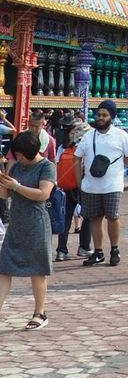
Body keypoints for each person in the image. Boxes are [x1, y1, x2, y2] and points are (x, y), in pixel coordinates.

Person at [0, 130, 56, 329]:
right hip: (16, 224)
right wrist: (4, 183)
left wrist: (16, 187)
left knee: (37, 270)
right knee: (4, 268)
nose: (19, 158)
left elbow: (43, 194)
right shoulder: (15, 167)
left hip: (36, 223)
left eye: (22, 155)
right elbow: (5, 195)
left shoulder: (46, 167)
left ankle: (40, 313)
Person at [73, 99, 128, 267]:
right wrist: (80, 182)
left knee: (113, 217)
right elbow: (77, 158)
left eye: (104, 115)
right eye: (98, 114)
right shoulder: (88, 135)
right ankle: (98, 252)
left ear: (111, 117)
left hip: (112, 185)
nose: (100, 117)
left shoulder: (121, 135)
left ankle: (115, 249)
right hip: (90, 186)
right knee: (94, 219)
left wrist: (116, 170)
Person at [54, 122, 91, 262]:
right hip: (83, 186)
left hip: (66, 186)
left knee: (66, 217)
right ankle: (84, 247)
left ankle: (61, 251)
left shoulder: (63, 148)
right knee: (88, 216)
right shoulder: (85, 148)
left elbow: (57, 164)